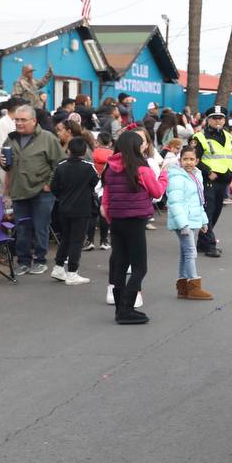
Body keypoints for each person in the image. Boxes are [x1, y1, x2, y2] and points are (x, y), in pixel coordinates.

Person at [101, 131, 168, 324]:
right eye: (141, 145)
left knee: (120, 266)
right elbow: (157, 192)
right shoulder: (142, 169)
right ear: (135, 147)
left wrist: (110, 217)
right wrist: (163, 176)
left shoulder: (110, 168)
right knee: (140, 267)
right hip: (136, 221)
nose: (144, 148)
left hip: (116, 221)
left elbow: (106, 197)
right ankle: (127, 308)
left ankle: (119, 308)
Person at [5, 106, 63, 275]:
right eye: (16, 120)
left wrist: (49, 184)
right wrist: (3, 163)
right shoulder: (11, 139)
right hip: (19, 190)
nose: (19, 123)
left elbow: (59, 164)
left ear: (34, 121)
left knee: (40, 227)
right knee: (22, 228)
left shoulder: (48, 138)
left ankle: (40, 260)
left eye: (23, 120)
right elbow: (6, 166)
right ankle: (23, 261)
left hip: (41, 191)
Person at [166, 145, 213, 301]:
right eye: (185, 159)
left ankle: (183, 287)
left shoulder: (196, 175)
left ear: (197, 161)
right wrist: (183, 224)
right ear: (180, 160)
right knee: (191, 252)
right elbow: (175, 202)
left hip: (193, 219)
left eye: (192, 159)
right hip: (184, 221)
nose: (189, 162)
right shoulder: (177, 177)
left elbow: (198, 201)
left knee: (185, 253)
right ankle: (194, 286)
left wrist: (204, 221)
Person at [49, 137, 98, 285]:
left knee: (66, 238)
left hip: (64, 207)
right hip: (82, 209)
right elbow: (95, 183)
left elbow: (54, 187)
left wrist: (62, 197)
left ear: (68, 150)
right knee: (77, 240)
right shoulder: (89, 167)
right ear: (84, 151)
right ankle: (72, 272)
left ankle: (58, 267)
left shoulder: (61, 166)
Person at [191, 105, 232, 257]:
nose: (218, 121)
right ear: (208, 120)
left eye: (220, 118)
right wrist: (207, 171)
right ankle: (210, 244)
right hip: (208, 180)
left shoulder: (228, 137)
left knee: (215, 213)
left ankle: (202, 242)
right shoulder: (199, 137)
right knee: (208, 213)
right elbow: (193, 159)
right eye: (214, 118)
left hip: (224, 180)